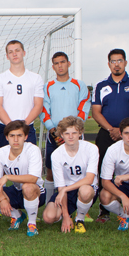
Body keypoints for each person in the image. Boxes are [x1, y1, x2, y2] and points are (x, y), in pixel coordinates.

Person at [91, 49, 129, 222]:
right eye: (113, 61)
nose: (117, 64)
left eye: (120, 60)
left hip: (128, 135)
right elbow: (96, 112)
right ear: (109, 64)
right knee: (104, 170)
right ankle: (104, 210)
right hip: (106, 133)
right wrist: (111, 129)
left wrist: (124, 129)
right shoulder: (101, 86)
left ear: (125, 63)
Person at [41, 51, 90, 198]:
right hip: (54, 134)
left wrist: (75, 129)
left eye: (62, 62)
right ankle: (50, 203)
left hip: (73, 134)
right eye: (56, 63)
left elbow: (84, 107)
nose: (60, 66)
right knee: (50, 170)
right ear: (53, 67)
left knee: (79, 171)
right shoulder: (48, 86)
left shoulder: (79, 85)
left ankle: (80, 206)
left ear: (68, 64)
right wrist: (53, 129)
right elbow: (44, 109)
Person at [0, 120, 46, 236]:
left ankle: (32, 224)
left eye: (19, 135)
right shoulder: (1, 153)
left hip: (35, 191)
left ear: (26, 137)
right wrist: (2, 199)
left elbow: (33, 179)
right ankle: (17, 215)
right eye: (12, 136)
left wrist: (7, 177)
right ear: (7, 137)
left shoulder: (33, 150)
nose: (16, 139)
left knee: (28, 187)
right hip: (16, 190)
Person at [41, 116, 99, 234]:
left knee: (85, 191)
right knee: (48, 217)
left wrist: (64, 190)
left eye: (74, 133)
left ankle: (80, 219)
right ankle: (69, 216)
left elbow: (89, 179)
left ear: (80, 133)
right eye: (67, 133)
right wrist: (66, 216)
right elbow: (61, 187)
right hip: (66, 191)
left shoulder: (91, 149)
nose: (71, 136)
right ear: (61, 135)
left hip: (86, 188)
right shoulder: (57, 154)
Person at [0, 40, 44, 151]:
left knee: (29, 165)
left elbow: (38, 106)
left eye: (17, 50)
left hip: (27, 128)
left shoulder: (36, 78)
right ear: (7, 56)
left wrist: (22, 127)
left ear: (24, 53)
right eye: (11, 52)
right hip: (5, 128)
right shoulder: (0, 79)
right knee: (2, 165)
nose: (14, 54)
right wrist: (12, 128)